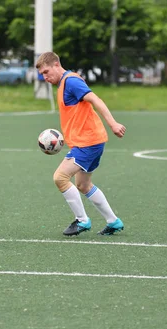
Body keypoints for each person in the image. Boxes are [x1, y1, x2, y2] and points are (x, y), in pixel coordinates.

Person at [36, 52, 126, 236]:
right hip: (91, 141)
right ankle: (113, 221)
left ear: (56, 64)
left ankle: (82, 221)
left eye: (46, 71)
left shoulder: (71, 81)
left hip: (88, 142)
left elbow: (95, 99)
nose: (45, 77)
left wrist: (113, 124)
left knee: (60, 177)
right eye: (42, 74)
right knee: (84, 185)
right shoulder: (64, 83)